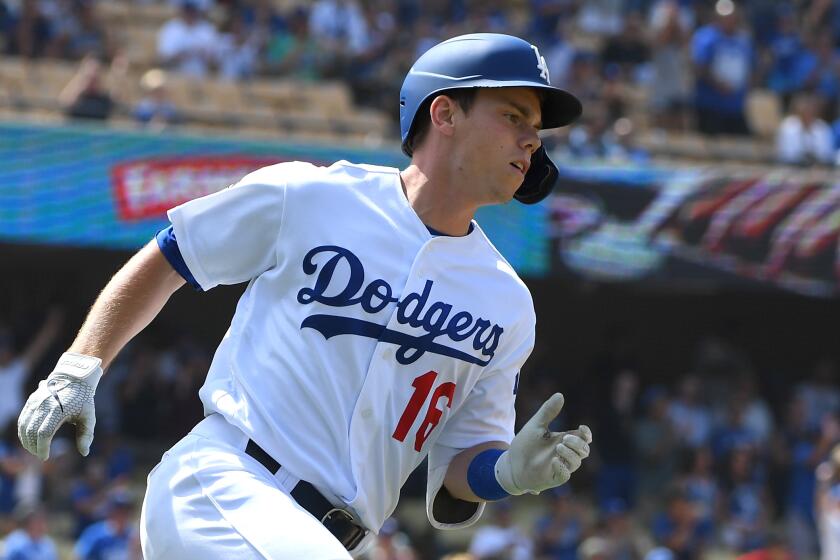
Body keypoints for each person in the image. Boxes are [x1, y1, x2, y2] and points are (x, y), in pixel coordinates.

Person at [17, 33, 591, 559]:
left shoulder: (507, 303)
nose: (530, 141)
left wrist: (509, 473)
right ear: (444, 113)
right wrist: (79, 366)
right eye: (513, 115)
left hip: (339, 539)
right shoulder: (312, 195)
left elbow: (461, 467)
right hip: (228, 486)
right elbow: (173, 256)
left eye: (536, 130)